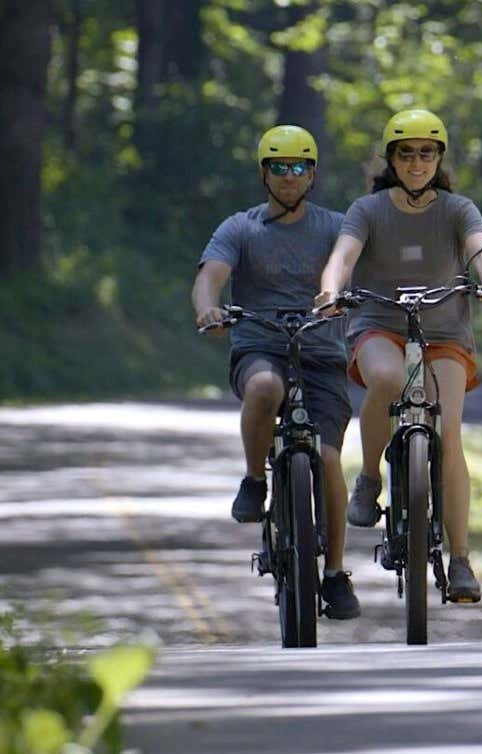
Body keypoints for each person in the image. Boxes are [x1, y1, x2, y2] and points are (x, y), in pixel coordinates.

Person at [316, 108, 482, 604]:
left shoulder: (457, 208)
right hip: (379, 323)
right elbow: (342, 256)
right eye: (407, 153)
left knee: (448, 431)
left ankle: (461, 559)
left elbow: (481, 248)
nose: (417, 162)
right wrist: (331, 290)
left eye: (427, 152)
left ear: (439, 158)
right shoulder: (369, 208)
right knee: (384, 379)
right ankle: (369, 477)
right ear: (392, 159)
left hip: (445, 331)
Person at [192, 124, 360, 620]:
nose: (290, 177)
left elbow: (355, 267)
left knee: (328, 458)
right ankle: (253, 480)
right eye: (280, 168)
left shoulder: (334, 226)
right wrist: (208, 309)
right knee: (265, 388)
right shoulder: (240, 228)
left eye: (299, 167)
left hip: (322, 358)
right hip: (259, 346)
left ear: (312, 174)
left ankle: (334, 572)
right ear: (264, 174)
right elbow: (210, 278)